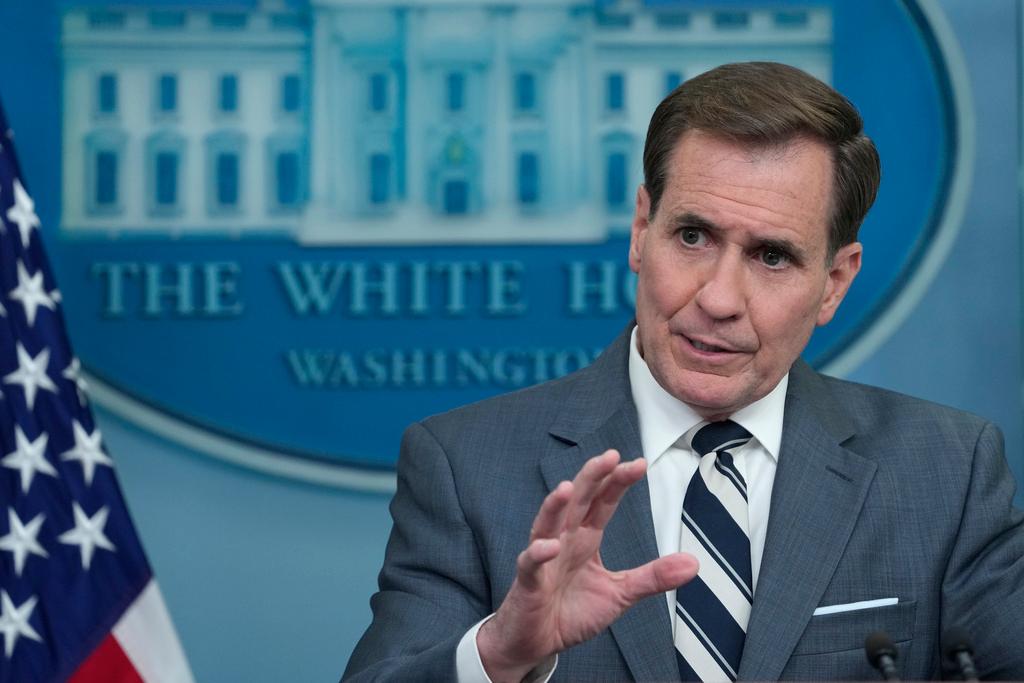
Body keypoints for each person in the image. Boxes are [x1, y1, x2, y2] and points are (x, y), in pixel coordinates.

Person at [343, 62, 1024, 682]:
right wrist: (499, 655)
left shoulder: (946, 470)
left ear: (835, 282)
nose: (719, 299)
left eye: (772, 257)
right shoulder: (466, 465)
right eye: (693, 236)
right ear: (643, 229)